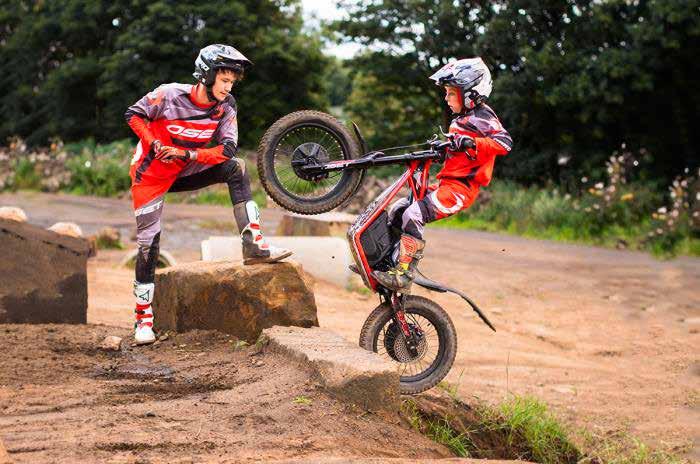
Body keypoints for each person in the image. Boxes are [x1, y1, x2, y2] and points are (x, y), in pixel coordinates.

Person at [125, 44, 292, 345]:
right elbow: (134, 114)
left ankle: (253, 245)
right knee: (149, 243)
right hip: (150, 176)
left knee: (236, 167)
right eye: (224, 80)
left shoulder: (226, 106)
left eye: (232, 82)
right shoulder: (168, 95)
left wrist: (185, 154)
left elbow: (227, 149)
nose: (228, 87)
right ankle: (143, 320)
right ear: (207, 75)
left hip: (185, 168)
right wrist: (153, 143)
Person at [372, 57, 512, 291]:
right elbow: (458, 154)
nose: (446, 98)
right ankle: (384, 261)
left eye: (451, 93)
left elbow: (505, 143)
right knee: (399, 208)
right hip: (446, 185)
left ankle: (404, 274)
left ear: (471, 93)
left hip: (461, 190)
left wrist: (472, 142)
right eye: (446, 93)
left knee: (414, 214)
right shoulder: (462, 120)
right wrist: (444, 148)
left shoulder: (483, 117)